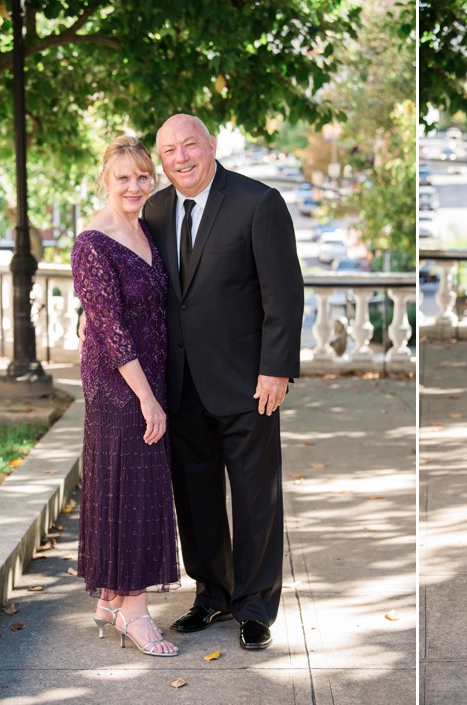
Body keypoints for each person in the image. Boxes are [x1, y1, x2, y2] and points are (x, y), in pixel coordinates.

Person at [143, 114, 304, 651]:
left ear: (212, 145)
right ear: (161, 159)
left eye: (190, 145)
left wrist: (276, 368)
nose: (181, 157)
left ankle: (255, 607)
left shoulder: (259, 203)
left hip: (249, 382)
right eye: (169, 150)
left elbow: (283, 293)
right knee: (197, 497)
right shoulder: (156, 210)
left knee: (258, 499)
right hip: (181, 385)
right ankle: (211, 594)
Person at [72, 135, 180, 657]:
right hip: (121, 386)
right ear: (105, 179)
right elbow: (111, 329)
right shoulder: (92, 242)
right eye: (124, 178)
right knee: (135, 493)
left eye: (143, 177)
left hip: (146, 378)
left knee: (122, 489)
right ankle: (136, 615)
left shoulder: (142, 227)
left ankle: (112, 599)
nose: (135, 186)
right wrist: (147, 399)